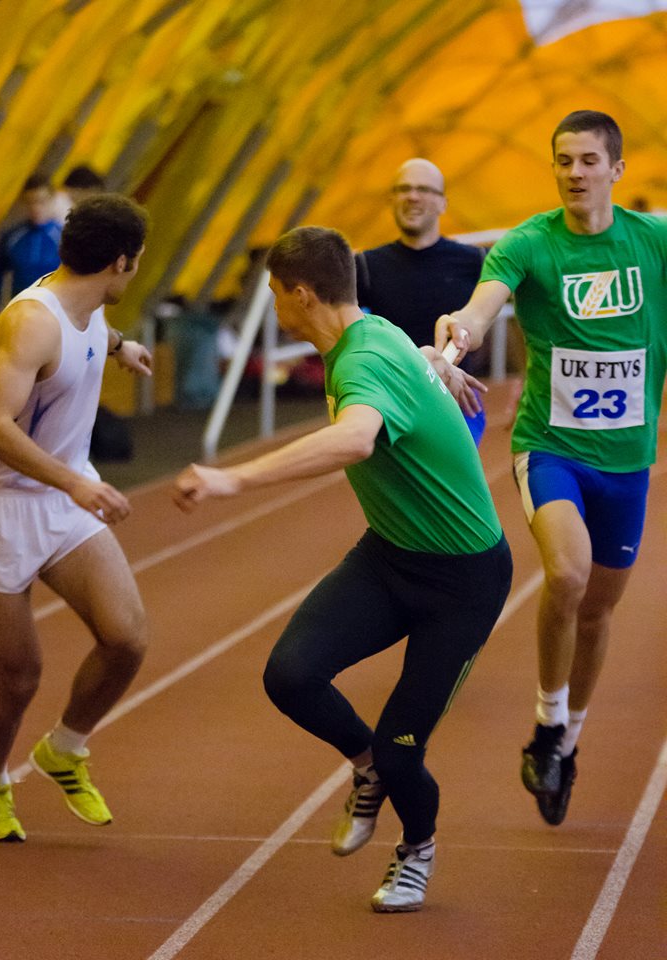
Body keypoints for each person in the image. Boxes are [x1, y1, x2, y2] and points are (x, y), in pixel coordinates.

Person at [173, 225, 512, 912]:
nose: (274, 306)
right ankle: (367, 768)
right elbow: (407, 357)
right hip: (389, 557)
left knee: (402, 748)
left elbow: (356, 438)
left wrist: (234, 479)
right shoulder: (372, 335)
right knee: (291, 676)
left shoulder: (362, 360)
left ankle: (416, 849)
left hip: (463, 583)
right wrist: (433, 363)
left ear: (302, 294)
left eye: (276, 293)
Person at [435, 109, 667, 827]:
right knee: (568, 573)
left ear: (616, 169)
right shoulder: (529, 244)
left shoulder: (652, 242)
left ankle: (566, 742)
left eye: (589, 160)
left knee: (597, 611)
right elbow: (482, 307)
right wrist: (459, 334)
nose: (575, 173)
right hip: (551, 448)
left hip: (627, 462)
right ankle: (545, 719)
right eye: (564, 160)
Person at [0, 194, 153, 842]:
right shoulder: (32, 323)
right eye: (137, 263)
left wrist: (121, 346)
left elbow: (89, 333)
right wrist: (75, 482)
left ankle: (64, 749)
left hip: (63, 501)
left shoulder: (87, 303)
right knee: (18, 678)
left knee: (126, 638)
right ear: (121, 262)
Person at [356, 158, 486, 443]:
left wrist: (526, 387)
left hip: (456, 402)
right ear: (392, 200)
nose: (412, 196)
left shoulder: (475, 261)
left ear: (443, 203)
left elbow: (523, 315)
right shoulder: (366, 265)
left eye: (423, 189)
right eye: (404, 189)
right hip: (392, 402)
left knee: (451, 472)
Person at [0, 173, 62, 308]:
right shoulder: (12, 237)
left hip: (55, 310)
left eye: (41, 201)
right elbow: (0, 277)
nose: (36, 208)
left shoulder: (64, 237)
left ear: (52, 200)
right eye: (30, 202)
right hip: (21, 309)